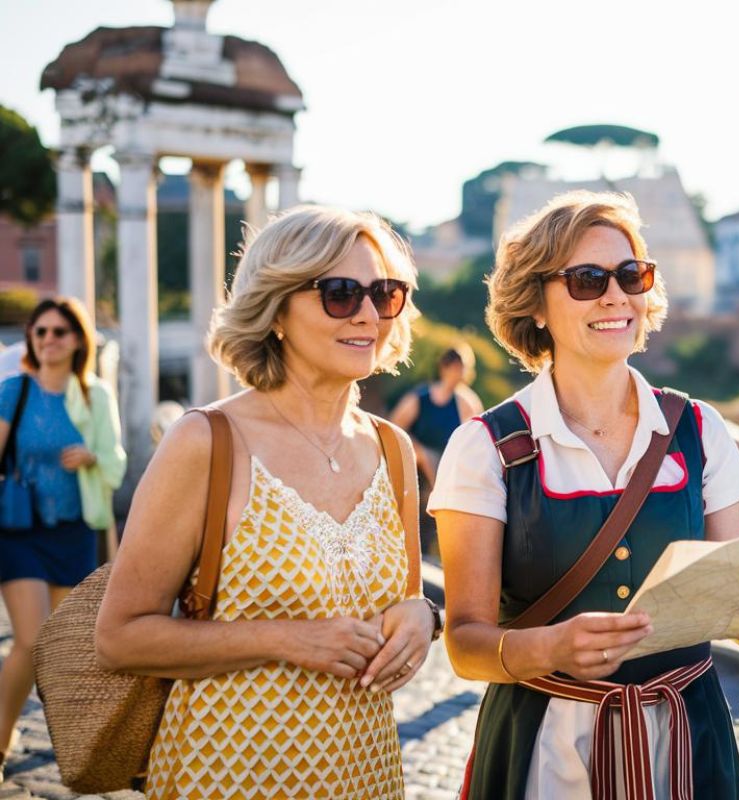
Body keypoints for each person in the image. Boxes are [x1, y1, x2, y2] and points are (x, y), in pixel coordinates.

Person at [430, 191, 739, 799]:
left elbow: (735, 605)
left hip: (687, 741)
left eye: (631, 274)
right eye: (588, 279)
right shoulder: (485, 447)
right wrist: (550, 647)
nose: (616, 295)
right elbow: (466, 644)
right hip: (547, 747)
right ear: (535, 303)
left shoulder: (700, 430)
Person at [95, 206, 440, 799]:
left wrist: (423, 617)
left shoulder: (393, 449)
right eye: (339, 293)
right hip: (228, 771)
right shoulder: (206, 441)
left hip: (365, 773)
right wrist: (287, 638)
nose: (367, 314)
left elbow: (401, 600)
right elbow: (120, 637)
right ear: (276, 310)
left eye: (385, 294)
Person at [0, 297, 125, 780]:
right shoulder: (14, 391)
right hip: (19, 532)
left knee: (67, 646)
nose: (48, 339)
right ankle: (2, 742)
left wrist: (91, 457)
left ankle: (82, 744)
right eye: (41, 332)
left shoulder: (95, 395)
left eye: (59, 331)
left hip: (74, 531)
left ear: (78, 340)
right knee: (29, 639)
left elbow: (116, 462)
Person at [390, 345, 483, 554]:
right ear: (444, 367)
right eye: (455, 367)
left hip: (447, 468)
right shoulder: (420, 397)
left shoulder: (466, 402)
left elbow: (476, 442)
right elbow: (393, 428)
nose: (458, 373)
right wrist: (418, 451)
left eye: (462, 368)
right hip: (416, 466)